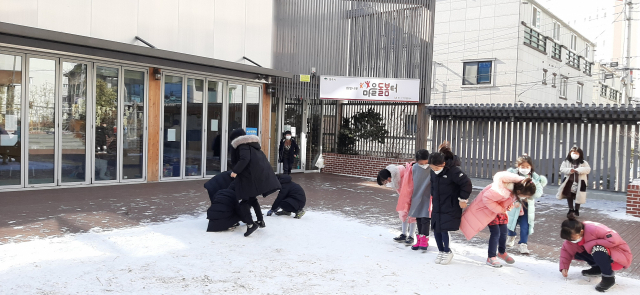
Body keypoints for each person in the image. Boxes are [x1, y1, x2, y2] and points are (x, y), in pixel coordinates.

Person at [460, 172, 537, 267]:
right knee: (496, 233)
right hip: (489, 211)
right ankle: (491, 257)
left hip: (499, 211)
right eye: (526, 196)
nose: (525, 198)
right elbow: (486, 198)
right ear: (519, 192)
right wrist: (500, 209)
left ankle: (501, 252)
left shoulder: (514, 189)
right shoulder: (501, 190)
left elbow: (507, 200)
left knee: (504, 232)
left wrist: (509, 205)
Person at [559, 217, 633, 292]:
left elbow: (614, 240)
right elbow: (566, 250)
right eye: (569, 239)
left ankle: (608, 278)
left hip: (618, 257)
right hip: (604, 258)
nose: (571, 241)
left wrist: (590, 244)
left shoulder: (594, 228)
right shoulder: (572, 237)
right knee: (577, 251)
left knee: (596, 248)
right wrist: (564, 267)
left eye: (573, 239)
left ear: (581, 232)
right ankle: (598, 269)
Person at [229, 128, 282, 229]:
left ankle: (250, 224)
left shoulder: (242, 145)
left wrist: (235, 171)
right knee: (252, 199)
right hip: (253, 177)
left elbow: (244, 159)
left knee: (243, 201)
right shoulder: (252, 145)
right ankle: (260, 221)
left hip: (247, 177)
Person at [429, 151, 472, 265]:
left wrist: (463, 199)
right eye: (432, 168)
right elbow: (432, 184)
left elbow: (466, 183)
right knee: (436, 228)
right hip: (438, 203)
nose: (434, 170)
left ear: (443, 164)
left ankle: (447, 251)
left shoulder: (453, 171)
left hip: (450, 203)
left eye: (435, 168)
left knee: (444, 228)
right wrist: (432, 194)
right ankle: (441, 251)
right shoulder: (433, 172)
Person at [506, 154, 548, 254]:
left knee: (525, 226)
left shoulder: (534, 178)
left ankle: (523, 244)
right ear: (518, 166)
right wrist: (516, 199)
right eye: (522, 167)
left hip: (526, 207)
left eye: (527, 167)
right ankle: (511, 236)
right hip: (514, 205)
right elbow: (508, 189)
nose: (525, 169)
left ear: (531, 167)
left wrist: (529, 196)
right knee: (511, 223)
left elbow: (538, 191)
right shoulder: (512, 176)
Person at [377, 162, 416, 246]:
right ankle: (404, 234)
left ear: (389, 177)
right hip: (404, 198)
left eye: (386, 181)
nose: (387, 182)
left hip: (412, 197)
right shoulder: (395, 178)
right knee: (403, 215)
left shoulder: (402, 175)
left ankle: (411, 236)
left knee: (412, 216)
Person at [408, 149, 432, 252]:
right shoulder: (414, 167)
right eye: (421, 162)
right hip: (417, 196)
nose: (423, 164)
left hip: (428, 196)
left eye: (425, 161)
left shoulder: (432, 167)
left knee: (426, 219)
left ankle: (424, 240)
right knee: (418, 218)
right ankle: (419, 239)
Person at [557, 147, 591, 218]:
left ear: (580, 154)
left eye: (576, 153)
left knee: (579, 196)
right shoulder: (566, 162)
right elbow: (562, 169)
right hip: (569, 182)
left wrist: (578, 170)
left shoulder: (584, 162)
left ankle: (577, 210)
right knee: (569, 196)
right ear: (570, 153)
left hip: (580, 182)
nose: (575, 154)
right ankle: (571, 209)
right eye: (573, 153)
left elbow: (588, 170)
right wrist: (570, 170)